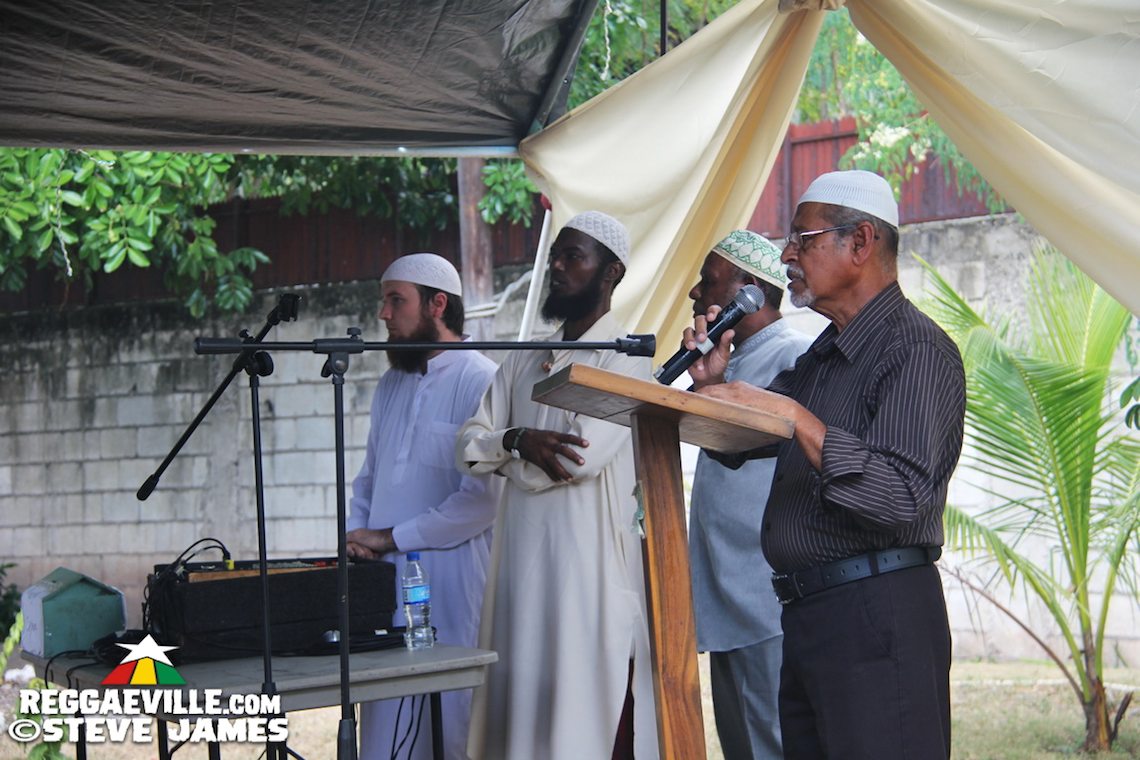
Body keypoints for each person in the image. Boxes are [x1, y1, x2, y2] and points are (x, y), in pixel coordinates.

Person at [684, 170, 966, 759]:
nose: (786, 255)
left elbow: (898, 499)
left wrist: (798, 418)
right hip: (809, 617)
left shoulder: (916, 350)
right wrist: (712, 387)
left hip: (877, 615)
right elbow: (745, 440)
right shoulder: (824, 355)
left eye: (801, 239)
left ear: (860, 243)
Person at [456, 211, 658, 760]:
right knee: (520, 714)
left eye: (574, 257)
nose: (559, 268)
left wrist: (505, 455)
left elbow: (576, 461)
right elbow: (468, 443)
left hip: (585, 575)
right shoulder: (522, 361)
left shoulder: (628, 360)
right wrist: (520, 441)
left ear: (611, 271)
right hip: (521, 575)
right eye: (556, 258)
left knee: (585, 721)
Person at [346, 252, 501, 760]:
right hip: (384, 582)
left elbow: (481, 502)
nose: (383, 315)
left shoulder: (482, 380)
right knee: (385, 725)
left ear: (438, 304)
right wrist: (356, 537)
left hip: (454, 583)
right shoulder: (390, 384)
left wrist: (389, 538)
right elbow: (367, 479)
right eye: (383, 301)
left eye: (396, 300)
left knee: (452, 724)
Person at [685, 230, 812, 759]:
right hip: (727, 589)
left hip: (765, 596)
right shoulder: (728, 360)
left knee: (772, 741)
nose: (694, 293)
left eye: (708, 280)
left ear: (749, 290)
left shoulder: (795, 355)